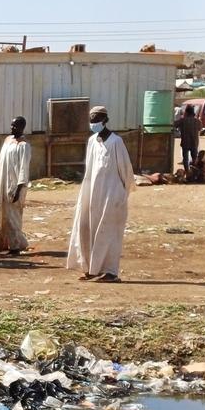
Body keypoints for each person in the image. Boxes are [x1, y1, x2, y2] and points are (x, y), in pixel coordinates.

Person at [67, 106, 134, 284]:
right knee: (88, 229)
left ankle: (110, 272)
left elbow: (126, 171)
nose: (93, 122)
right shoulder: (92, 141)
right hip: (92, 194)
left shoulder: (116, 142)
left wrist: (121, 195)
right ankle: (91, 269)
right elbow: (89, 169)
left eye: (96, 119)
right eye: (91, 119)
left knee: (109, 232)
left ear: (105, 120)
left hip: (112, 195)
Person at [0, 116, 31, 254]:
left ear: (22, 127)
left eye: (15, 126)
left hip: (14, 186)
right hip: (1, 184)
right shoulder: (7, 141)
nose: (12, 128)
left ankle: (15, 246)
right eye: (11, 125)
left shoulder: (24, 146)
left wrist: (18, 189)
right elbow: (0, 165)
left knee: (12, 217)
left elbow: (23, 169)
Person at [175, 104, 201, 176]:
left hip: (185, 142)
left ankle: (187, 172)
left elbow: (174, 125)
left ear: (186, 112)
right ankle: (194, 174)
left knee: (185, 159)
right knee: (194, 159)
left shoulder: (182, 120)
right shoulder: (197, 121)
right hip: (194, 143)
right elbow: (200, 128)